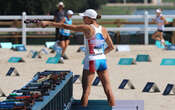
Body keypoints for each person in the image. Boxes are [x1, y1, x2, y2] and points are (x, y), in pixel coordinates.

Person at [39, 9, 115, 107]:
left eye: (84, 17)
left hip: (91, 61)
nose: (83, 19)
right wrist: (100, 53)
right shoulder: (103, 29)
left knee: (86, 90)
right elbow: (111, 47)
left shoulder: (88, 28)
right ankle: (114, 107)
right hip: (102, 60)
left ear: (89, 18)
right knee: (108, 88)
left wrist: (49, 23)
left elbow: (65, 26)